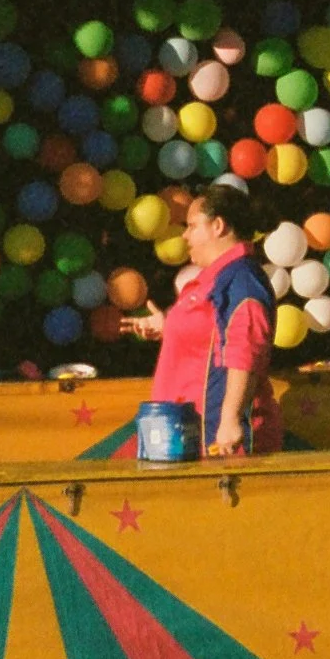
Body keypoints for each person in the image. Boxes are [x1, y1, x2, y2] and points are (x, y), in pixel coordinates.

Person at [121, 183, 281, 457]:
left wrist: (230, 420)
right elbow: (209, 331)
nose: (184, 236)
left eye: (192, 226)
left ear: (218, 226)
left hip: (219, 439)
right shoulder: (213, 279)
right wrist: (167, 325)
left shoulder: (241, 279)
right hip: (185, 433)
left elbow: (245, 350)